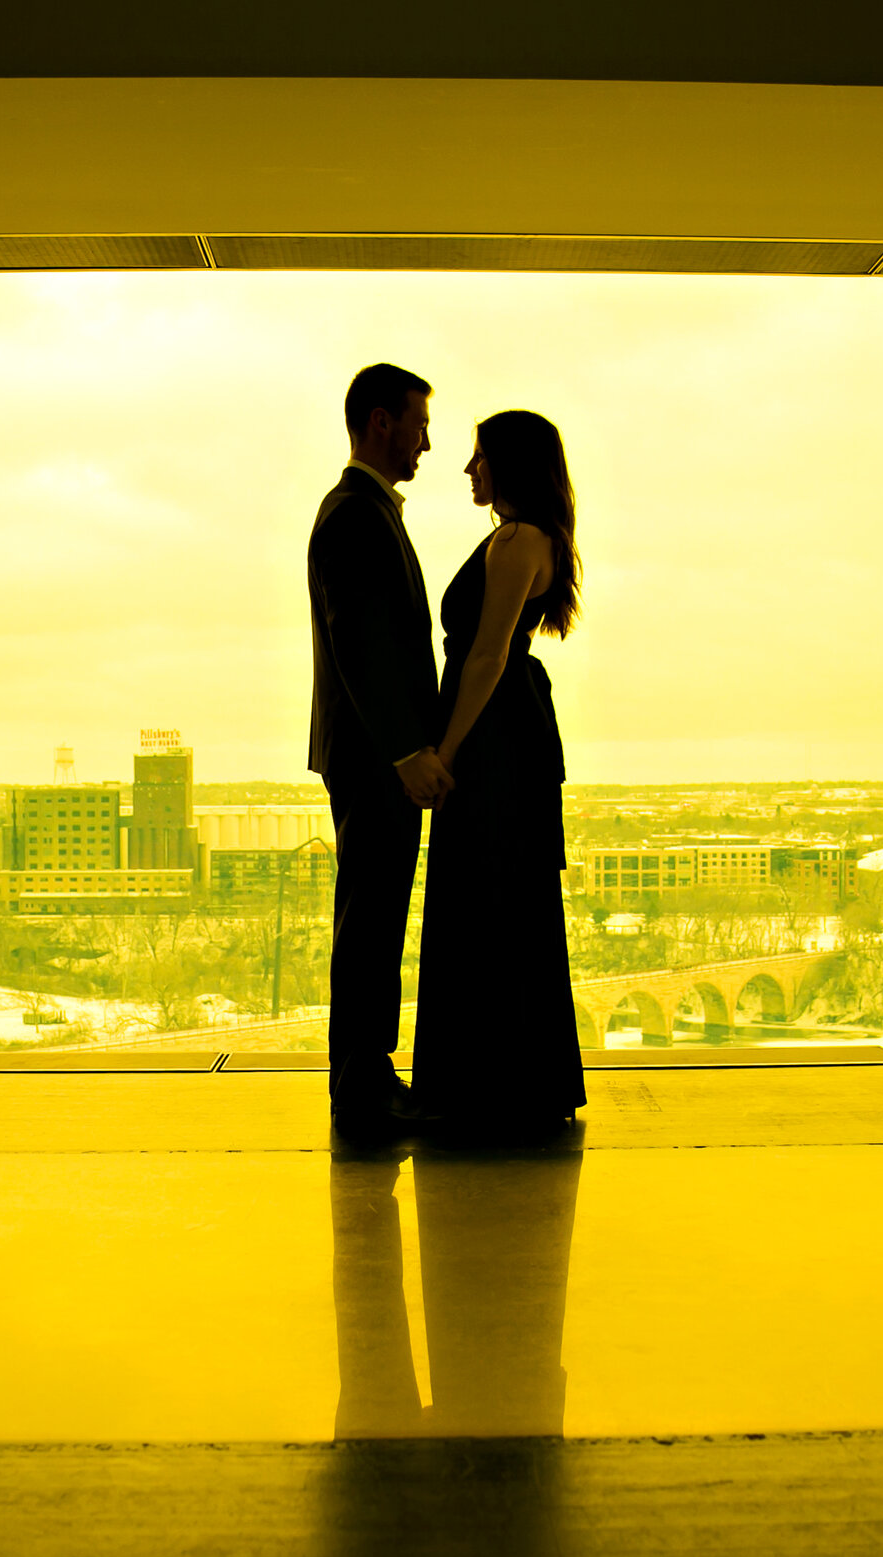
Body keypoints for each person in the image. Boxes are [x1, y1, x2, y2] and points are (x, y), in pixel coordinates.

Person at [410, 410, 588, 1132]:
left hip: (490, 739)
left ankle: (480, 1088)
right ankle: (513, 1082)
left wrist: (443, 753)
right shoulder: (525, 538)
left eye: (479, 456)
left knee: (481, 896)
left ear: (510, 465)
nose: (467, 468)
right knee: (504, 899)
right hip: (507, 730)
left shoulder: (516, 540)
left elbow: (484, 656)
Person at [307, 363, 454, 1134]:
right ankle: (362, 1088)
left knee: (373, 920)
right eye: (419, 423)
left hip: (371, 757)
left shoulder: (363, 512)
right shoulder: (356, 516)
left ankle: (366, 1077)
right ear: (379, 421)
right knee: (370, 925)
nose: (427, 442)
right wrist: (406, 752)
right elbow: (361, 643)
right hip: (374, 761)